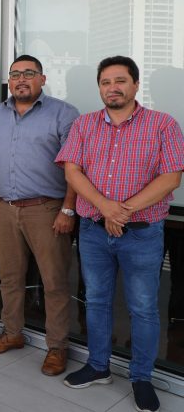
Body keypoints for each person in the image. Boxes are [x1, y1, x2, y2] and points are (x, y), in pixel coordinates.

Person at [58, 56, 184, 412]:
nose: (112, 88)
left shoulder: (163, 124)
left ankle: (141, 377)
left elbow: (171, 178)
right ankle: (98, 366)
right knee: (96, 300)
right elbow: (72, 172)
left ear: (135, 85)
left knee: (143, 308)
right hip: (93, 232)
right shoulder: (84, 125)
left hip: (142, 234)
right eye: (105, 82)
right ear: (99, 87)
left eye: (120, 81)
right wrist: (105, 207)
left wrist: (121, 210)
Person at [0, 55, 79, 377]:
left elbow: (76, 167)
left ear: (42, 79)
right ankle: (12, 333)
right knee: (9, 278)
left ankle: (57, 346)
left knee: (54, 282)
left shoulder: (63, 113)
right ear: (9, 81)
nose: (21, 79)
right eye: (15, 74)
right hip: (5, 208)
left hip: (47, 209)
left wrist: (68, 208)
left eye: (29, 73)